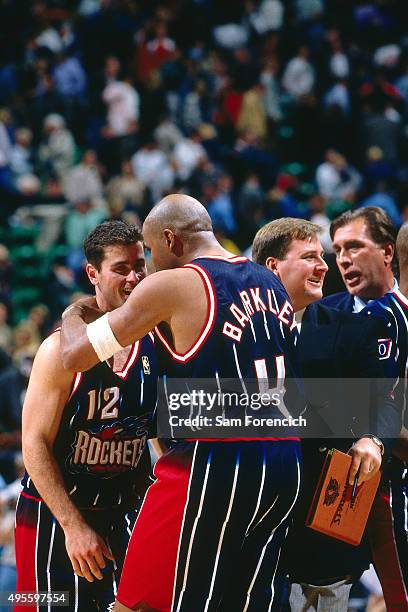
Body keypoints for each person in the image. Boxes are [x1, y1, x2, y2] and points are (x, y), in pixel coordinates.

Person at [60, 194, 302, 612]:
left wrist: (72, 315)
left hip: (218, 463)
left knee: (145, 603)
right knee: (245, 603)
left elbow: (74, 356)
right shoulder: (269, 280)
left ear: (170, 239)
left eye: (150, 253)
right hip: (286, 463)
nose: (147, 268)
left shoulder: (174, 283)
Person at [252, 218, 399, 611]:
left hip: (324, 521)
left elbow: (385, 402)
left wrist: (373, 439)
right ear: (272, 267)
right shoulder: (238, 332)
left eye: (324, 257)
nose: (324, 266)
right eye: (311, 257)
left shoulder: (351, 328)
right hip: (253, 514)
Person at [15, 221, 157, 612]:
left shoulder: (156, 342)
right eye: (121, 268)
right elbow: (33, 443)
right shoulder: (58, 349)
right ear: (92, 274)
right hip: (56, 514)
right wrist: (72, 526)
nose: (134, 277)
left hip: (123, 511)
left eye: (139, 265)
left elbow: (162, 439)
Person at [321, 207, 408, 608]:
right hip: (336, 484)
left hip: (391, 481)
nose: (343, 258)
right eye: (338, 249)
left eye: (355, 246)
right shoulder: (323, 313)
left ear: (388, 252)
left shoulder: (400, 316)